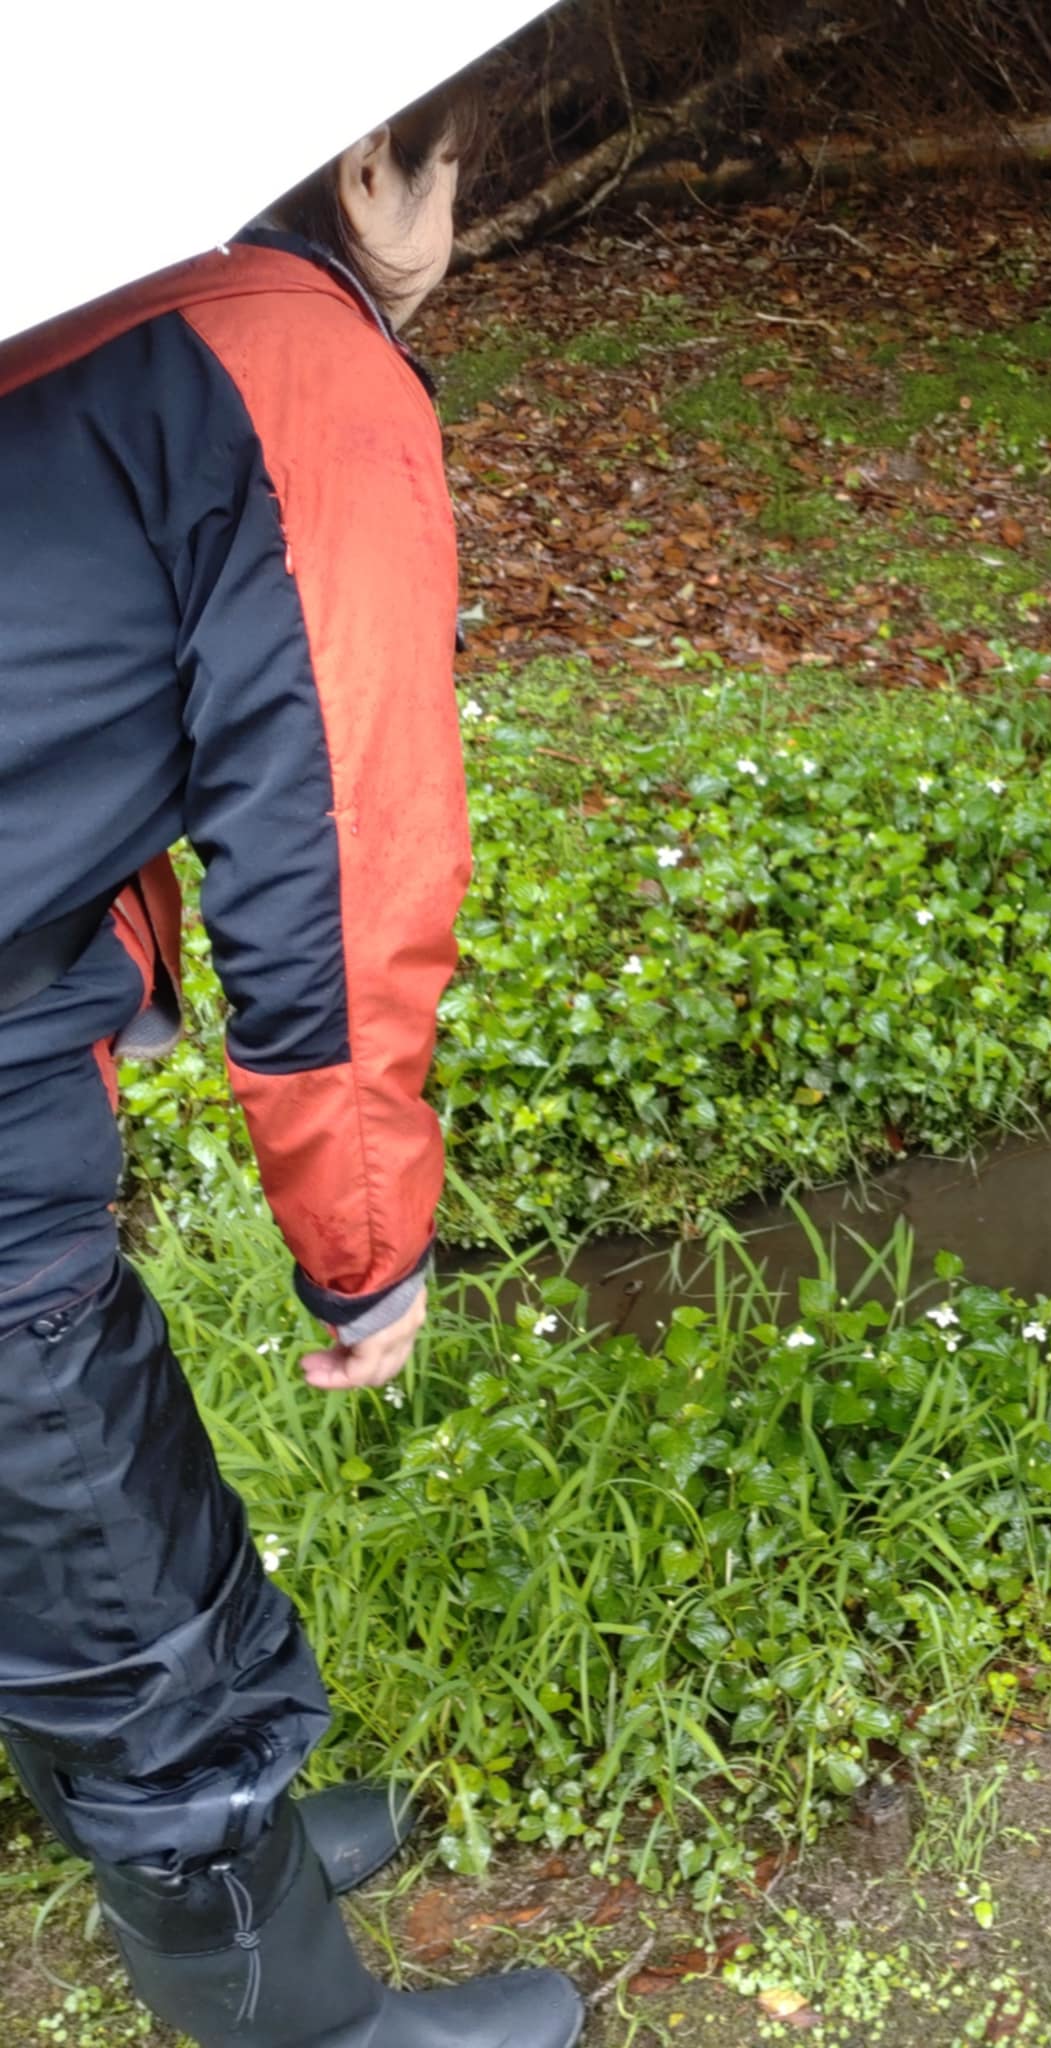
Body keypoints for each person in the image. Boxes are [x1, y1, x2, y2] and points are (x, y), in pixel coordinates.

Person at [0, 87, 583, 2048]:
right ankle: (283, 2015)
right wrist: (363, 1236)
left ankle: (221, 1846)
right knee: (72, 1478)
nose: (448, 213)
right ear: (360, 170)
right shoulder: (283, 362)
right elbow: (334, 841)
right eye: (445, 166)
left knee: (61, 1435)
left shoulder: (81, 313)